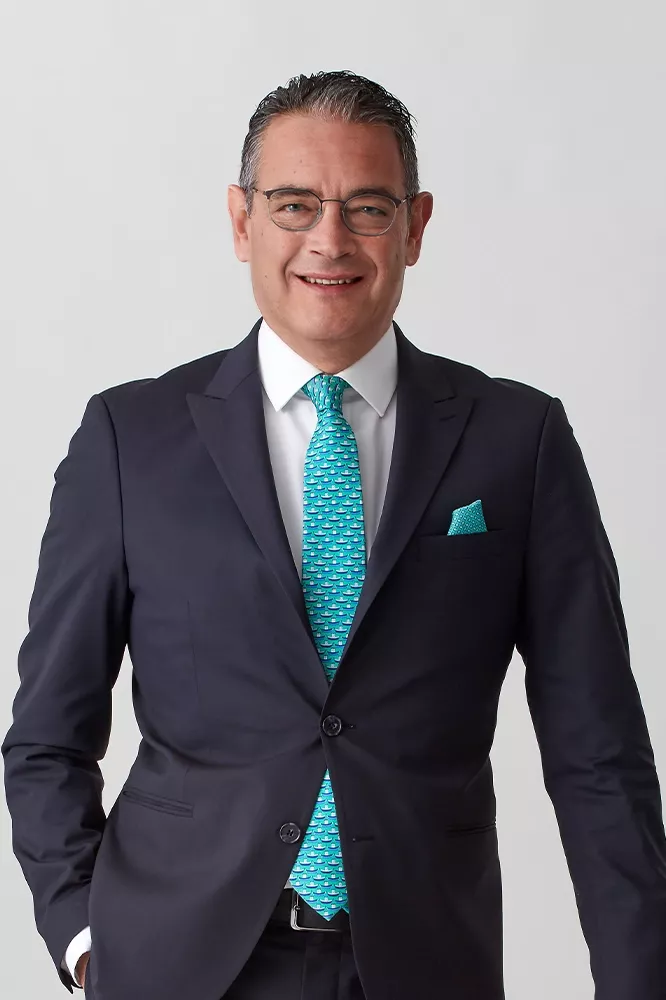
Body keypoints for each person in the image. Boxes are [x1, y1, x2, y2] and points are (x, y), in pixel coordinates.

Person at [3, 69, 666, 1000]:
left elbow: (599, 756)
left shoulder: (519, 440)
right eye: (294, 205)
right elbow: (46, 738)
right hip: (173, 965)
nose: (330, 239)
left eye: (367, 207)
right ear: (242, 221)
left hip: (426, 962)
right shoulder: (129, 439)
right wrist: (83, 935)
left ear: (415, 226)